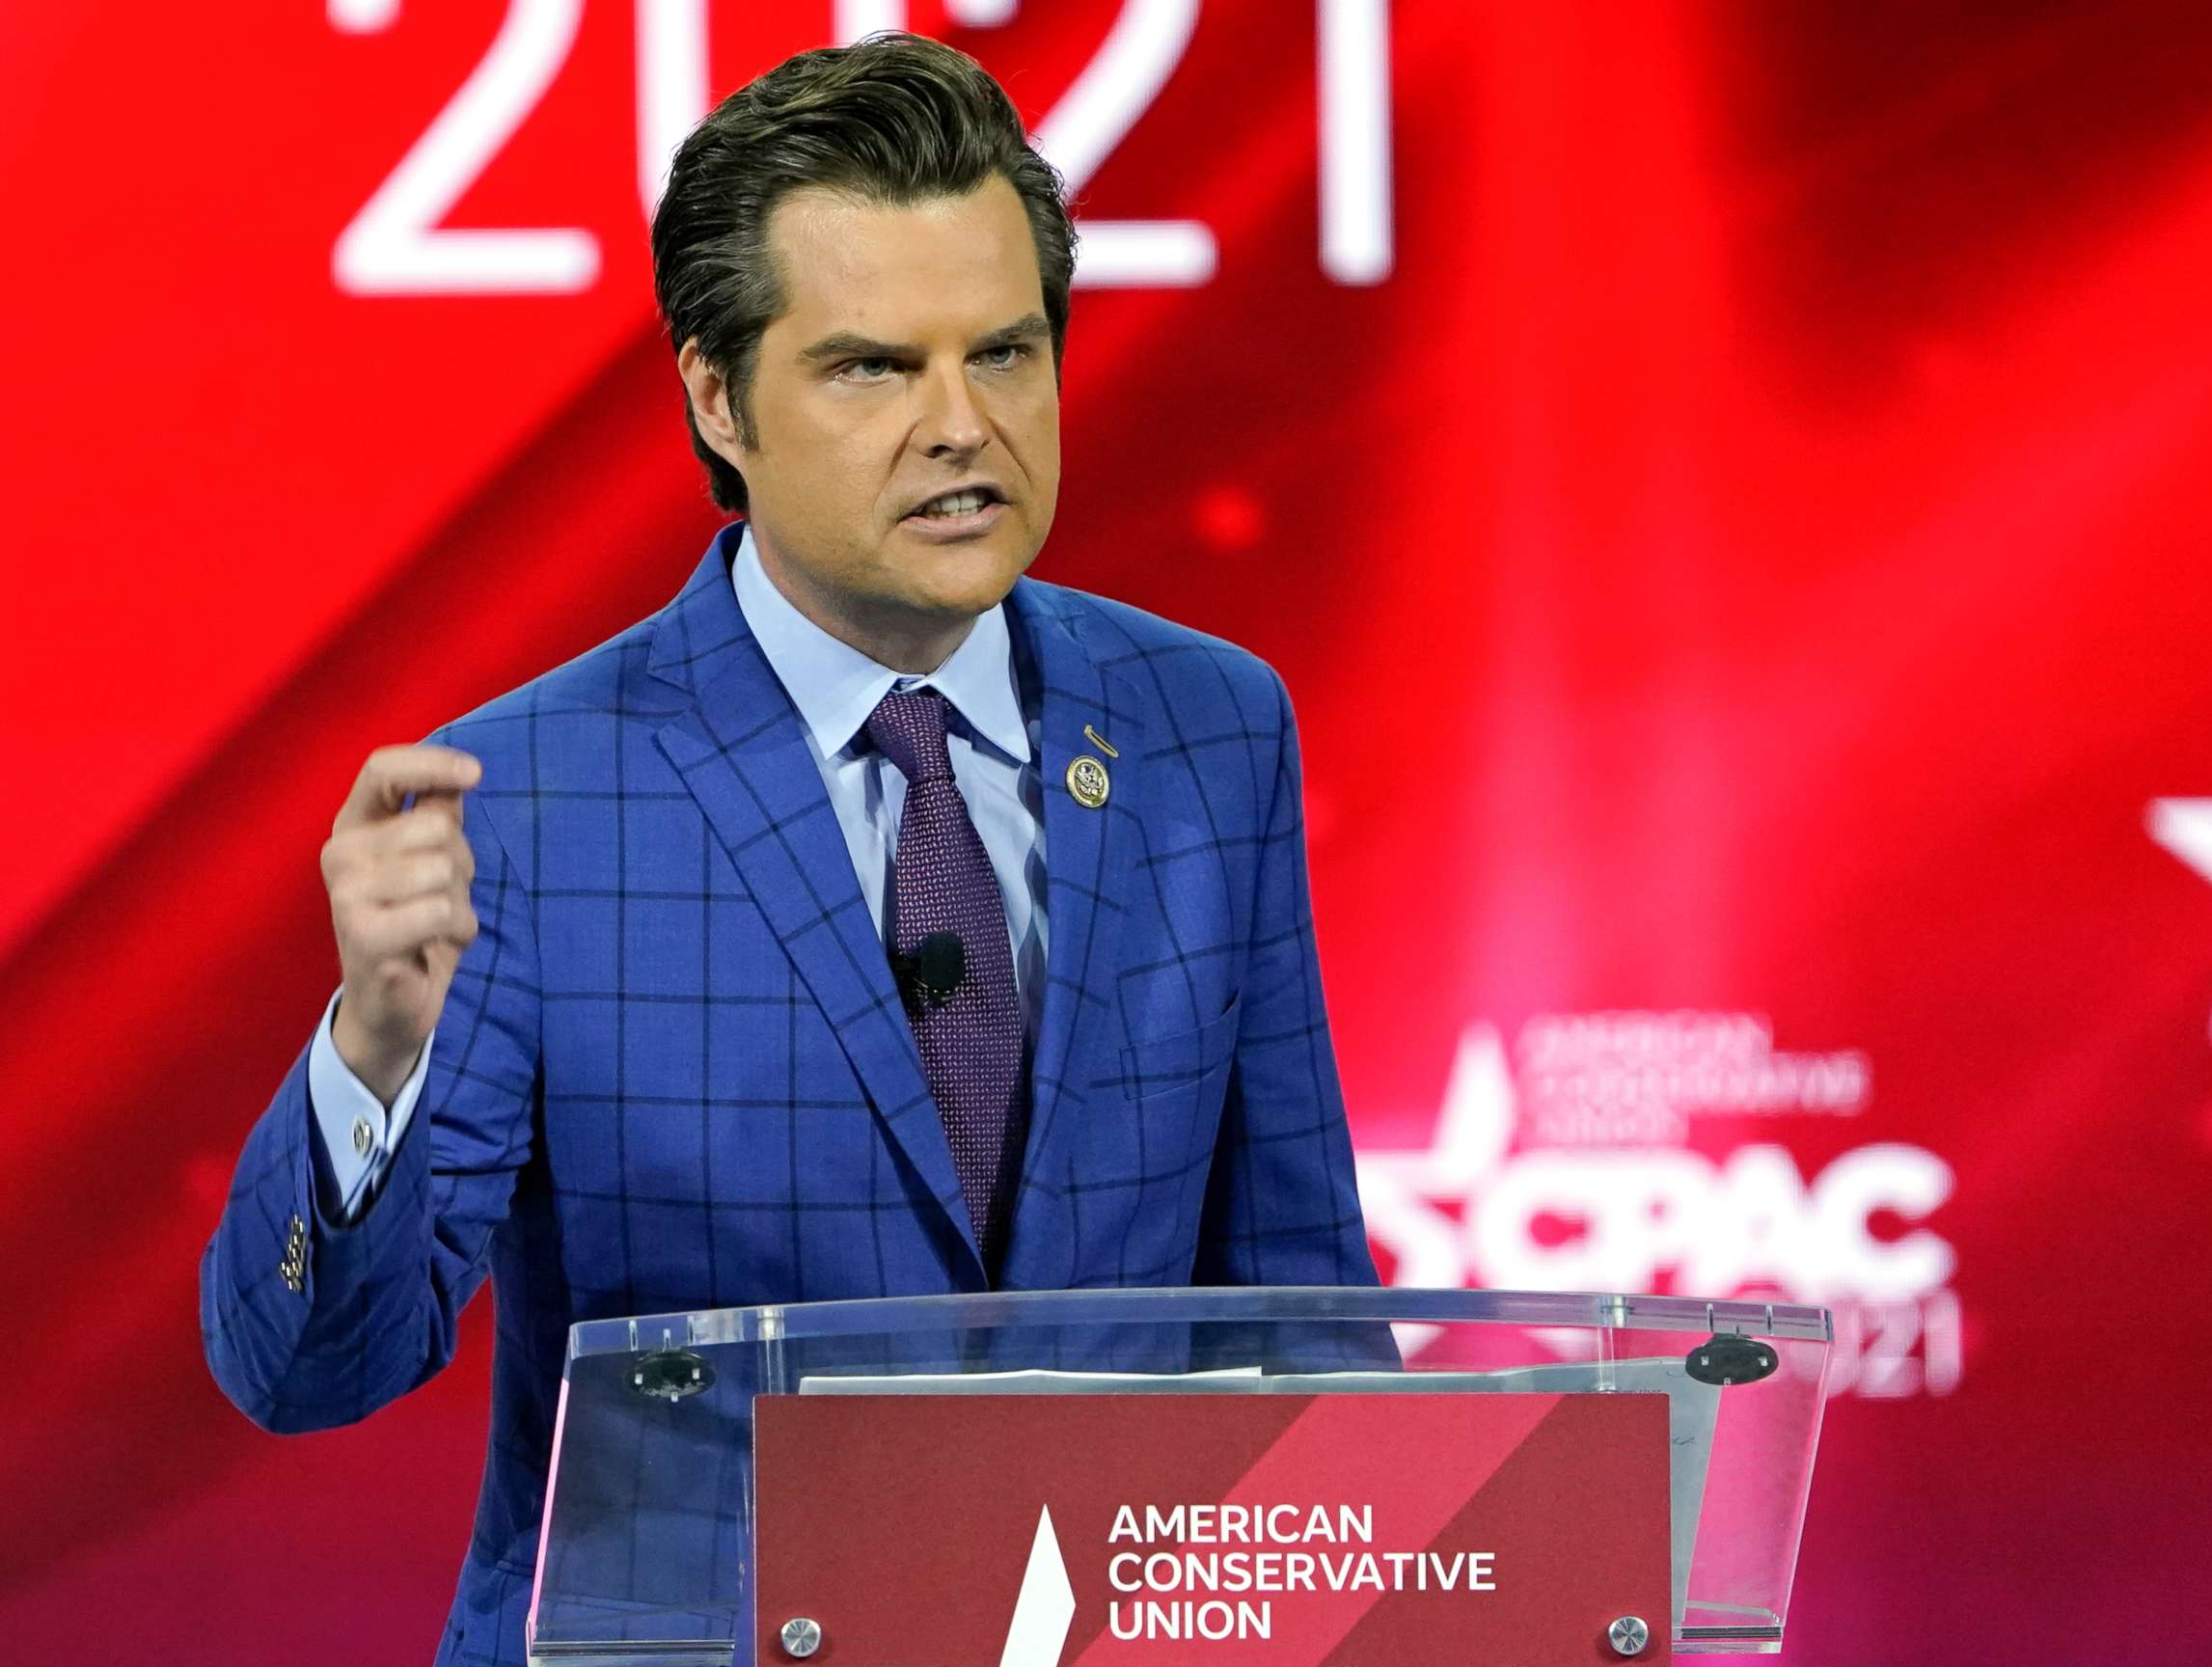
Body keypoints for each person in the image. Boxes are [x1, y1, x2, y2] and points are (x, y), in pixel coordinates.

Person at [200, 31, 1379, 1667]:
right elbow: (312, 1365)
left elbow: (1304, 1317)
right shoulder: (534, 798)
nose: (964, 425)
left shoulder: (1204, 730)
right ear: (714, 395)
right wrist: (370, 1060)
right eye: (873, 368)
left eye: (1008, 353)